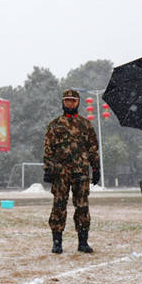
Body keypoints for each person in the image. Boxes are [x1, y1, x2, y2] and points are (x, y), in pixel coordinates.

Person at [43, 89, 100, 254]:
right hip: (60, 173)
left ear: (78, 102)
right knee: (59, 206)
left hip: (81, 172)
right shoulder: (54, 124)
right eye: (67, 100)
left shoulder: (85, 125)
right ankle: (57, 242)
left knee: (82, 206)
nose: (70, 103)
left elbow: (92, 148)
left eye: (73, 100)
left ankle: (83, 242)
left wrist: (96, 167)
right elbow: (48, 149)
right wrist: (48, 168)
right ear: (62, 102)